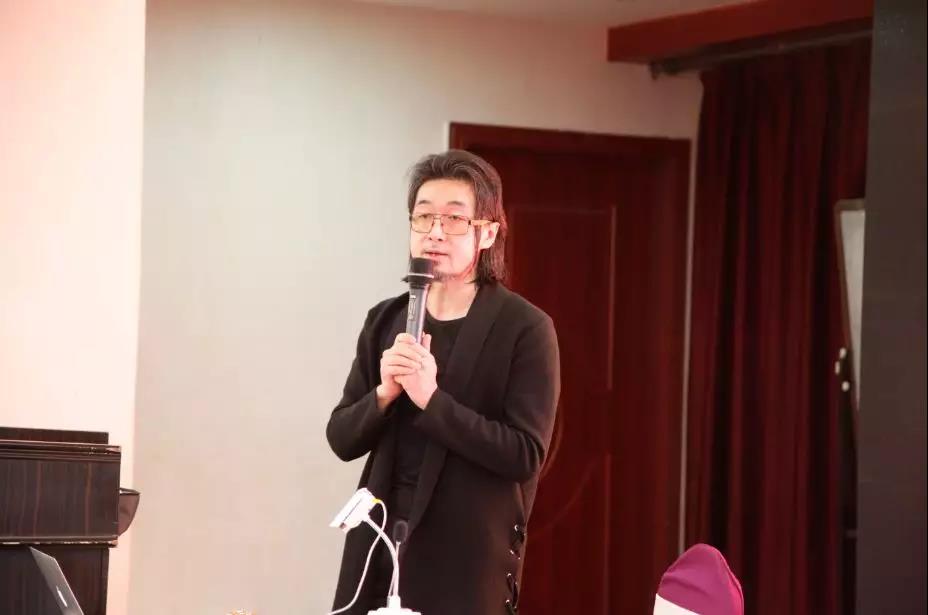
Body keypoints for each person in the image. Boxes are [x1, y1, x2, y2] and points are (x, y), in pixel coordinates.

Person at [326, 149, 560, 615]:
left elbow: (524, 454)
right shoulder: (386, 319)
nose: (434, 232)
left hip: (464, 559)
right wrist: (385, 394)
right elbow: (341, 437)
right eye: (423, 217)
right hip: (379, 545)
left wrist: (431, 400)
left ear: (487, 232)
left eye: (454, 219)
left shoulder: (525, 328)